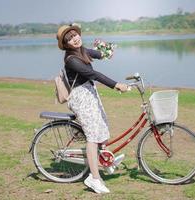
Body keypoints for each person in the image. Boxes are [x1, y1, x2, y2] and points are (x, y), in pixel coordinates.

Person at [56, 24, 129, 194]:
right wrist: (116, 84)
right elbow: (94, 75)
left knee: (102, 125)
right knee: (92, 136)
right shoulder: (72, 59)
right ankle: (94, 178)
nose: (74, 39)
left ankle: (104, 160)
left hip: (90, 94)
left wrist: (107, 49)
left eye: (75, 35)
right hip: (81, 98)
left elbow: (101, 54)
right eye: (69, 39)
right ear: (65, 44)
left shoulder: (83, 51)